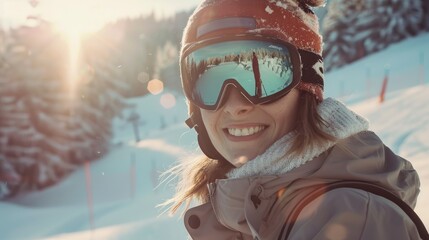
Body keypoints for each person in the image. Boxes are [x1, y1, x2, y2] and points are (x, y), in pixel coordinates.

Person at [163, 0, 424, 239]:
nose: (235, 105)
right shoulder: (250, 214)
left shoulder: (350, 219)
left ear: (306, 90)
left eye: (263, 74)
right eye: (210, 80)